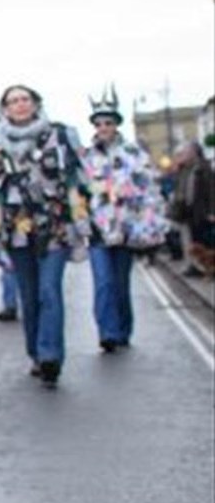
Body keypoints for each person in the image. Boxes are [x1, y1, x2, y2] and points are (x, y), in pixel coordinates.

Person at [0, 84, 90, 389]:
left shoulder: (59, 135)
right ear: (4, 109)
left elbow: (74, 182)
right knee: (29, 296)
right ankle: (36, 354)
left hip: (54, 225)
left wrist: (81, 221)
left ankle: (50, 356)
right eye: (13, 101)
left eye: (25, 99)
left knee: (49, 291)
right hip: (16, 228)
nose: (19, 105)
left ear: (36, 103)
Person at [82, 93, 167, 352]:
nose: (103, 128)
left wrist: (147, 224)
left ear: (116, 124)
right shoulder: (85, 157)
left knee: (120, 284)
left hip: (125, 229)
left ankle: (122, 330)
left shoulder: (133, 153)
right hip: (97, 230)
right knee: (103, 283)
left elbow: (149, 189)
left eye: (108, 122)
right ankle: (107, 332)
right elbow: (78, 192)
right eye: (99, 123)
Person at [169, 140, 214, 278]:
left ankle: (207, 269)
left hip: (201, 211)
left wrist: (212, 211)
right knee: (192, 242)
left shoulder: (203, 168)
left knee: (204, 243)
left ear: (194, 153)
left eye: (186, 152)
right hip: (186, 211)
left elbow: (212, 191)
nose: (183, 155)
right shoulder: (183, 169)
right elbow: (178, 189)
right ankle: (195, 267)